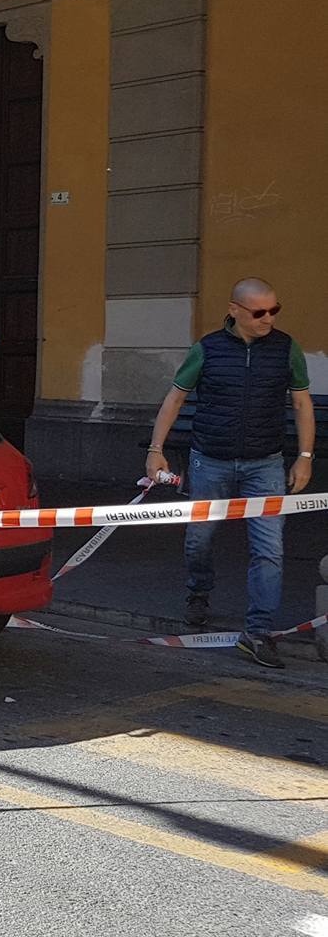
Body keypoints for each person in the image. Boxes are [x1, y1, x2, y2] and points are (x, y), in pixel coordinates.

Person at [146, 277, 315, 668]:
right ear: (234, 310)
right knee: (200, 540)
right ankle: (198, 592)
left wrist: (304, 456)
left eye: (274, 310)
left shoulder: (287, 349)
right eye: (259, 312)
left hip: (266, 463)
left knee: (269, 548)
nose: (268, 319)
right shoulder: (207, 349)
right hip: (210, 460)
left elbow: (302, 404)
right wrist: (156, 451)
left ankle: (258, 632)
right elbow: (175, 398)